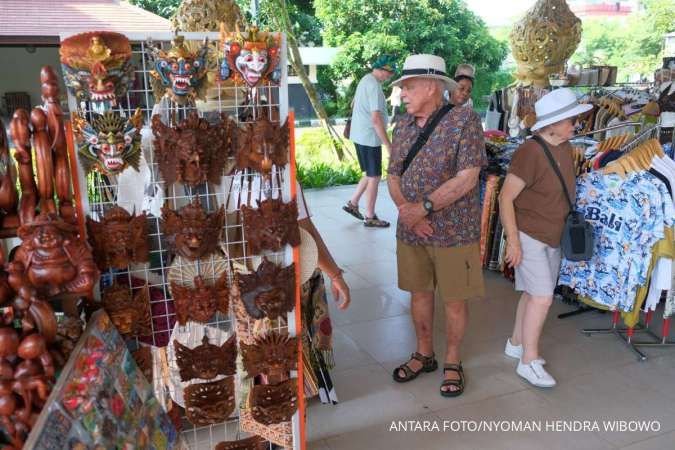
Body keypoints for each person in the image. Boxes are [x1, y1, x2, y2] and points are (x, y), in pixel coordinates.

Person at [387, 54, 487, 397]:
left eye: (408, 87)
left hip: (454, 231)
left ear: (431, 86)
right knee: (418, 292)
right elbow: (393, 174)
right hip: (411, 230)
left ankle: (453, 360)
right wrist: (408, 213)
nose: (402, 93)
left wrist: (423, 208)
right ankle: (424, 353)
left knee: (455, 299)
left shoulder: (464, 120)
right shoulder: (402, 126)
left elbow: (468, 177)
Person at [498, 88, 591, 388]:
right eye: (571, 120)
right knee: (542, 297)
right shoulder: (530, 152)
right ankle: (528, 360)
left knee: (532, 293)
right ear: (552, 123)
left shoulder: (566, 147)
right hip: (530, 235)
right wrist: (513, 241)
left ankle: (516, 344)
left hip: (553, 234)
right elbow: (505, 197)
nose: (576, 124)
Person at [342, 55, 396, 228]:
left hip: (360, 135)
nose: (389, 76)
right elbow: (376, 119)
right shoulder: (374, 85)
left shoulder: (366, 80)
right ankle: (370, 216)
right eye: (389, 72)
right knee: (375, 176)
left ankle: (353, 203)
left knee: (369, 173)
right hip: (369, 137)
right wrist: (388, 144)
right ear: (380, 69)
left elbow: (353, 104)